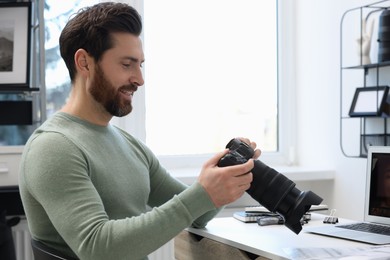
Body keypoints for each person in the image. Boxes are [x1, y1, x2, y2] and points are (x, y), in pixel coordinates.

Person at [18, 3, 260, 260]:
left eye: (140, 65)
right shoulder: (54, 147)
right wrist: (202, 193)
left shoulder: (128, 145)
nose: (139, 79)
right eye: (126, 64)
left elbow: (199, 212)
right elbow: (98, 247)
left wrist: (226, 173)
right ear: (84, 63)